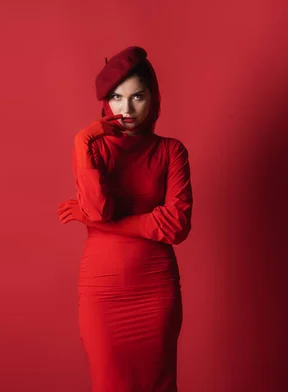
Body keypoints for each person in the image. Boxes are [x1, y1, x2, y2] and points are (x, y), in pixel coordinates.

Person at [57, 46, 193, 392]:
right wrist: (81, 139)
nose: (126, 109)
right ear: (105, 102)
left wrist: (99, 225)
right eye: (117, 97)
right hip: (104, 293)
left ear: (153, 98)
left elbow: (175, 226)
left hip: (155, 290)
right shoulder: (93, 149)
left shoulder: (171, 151)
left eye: (137, 97)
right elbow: (100, 209)